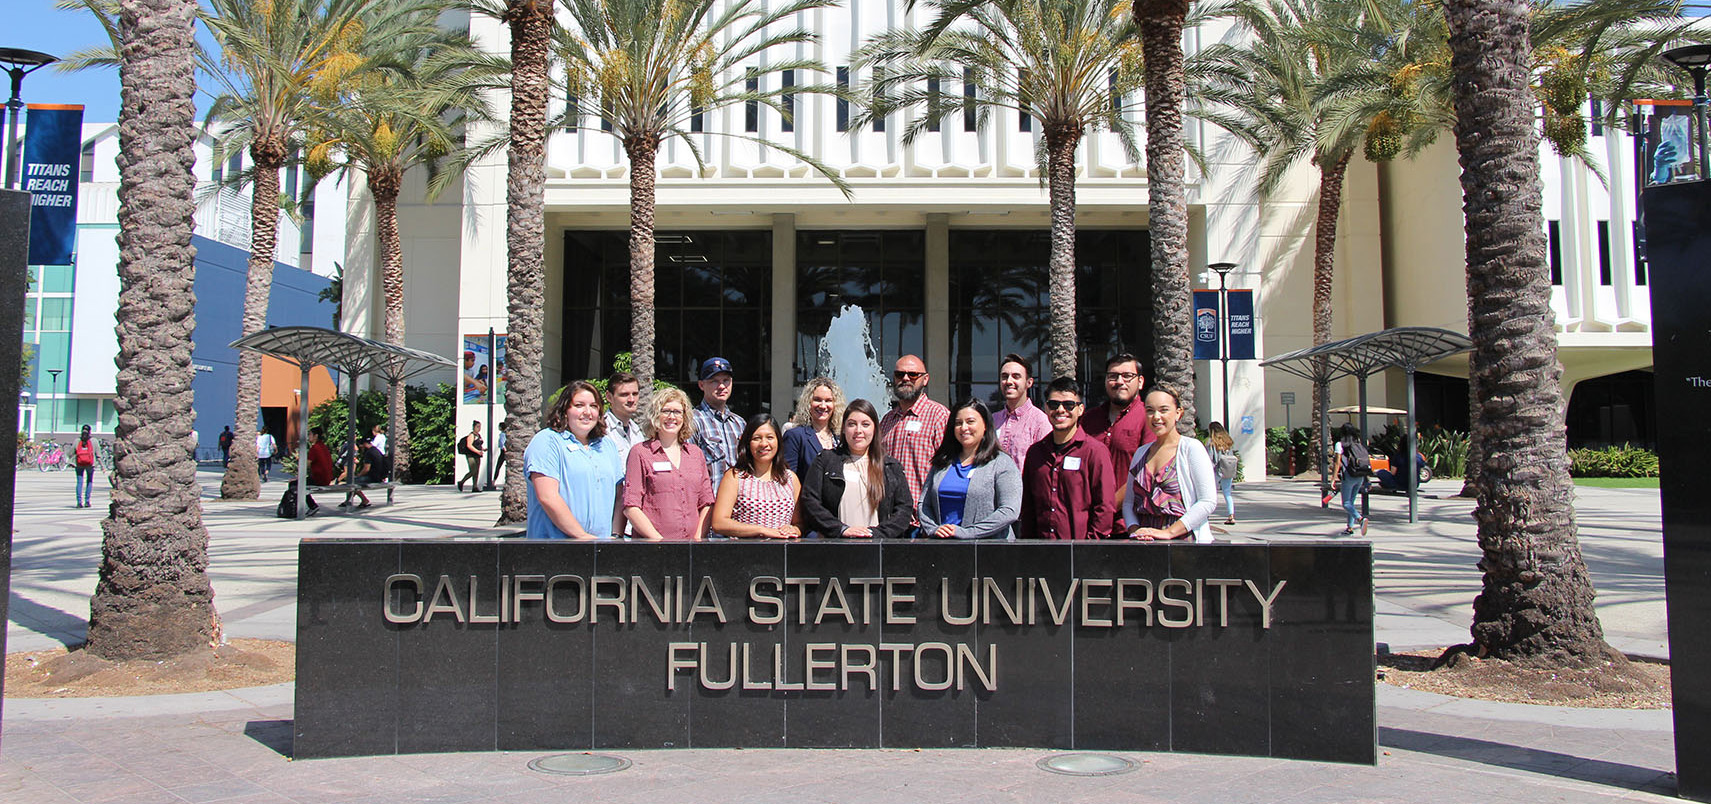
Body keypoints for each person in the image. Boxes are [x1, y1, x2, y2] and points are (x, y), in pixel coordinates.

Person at [798, 399, 913, 539]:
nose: (858, 431)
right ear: (844, 429)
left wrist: (877, 534)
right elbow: (810, 501)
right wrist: (841, 530)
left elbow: (904, 509)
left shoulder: (891, 466)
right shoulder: (825, 460)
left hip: (878, 548)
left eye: (865, 424)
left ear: (875, 429)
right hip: (836, 547)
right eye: (852, 424)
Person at [524, 380, 625, 540]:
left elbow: (619, 495)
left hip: (600, 548)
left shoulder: (607, 445)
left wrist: (615, 535)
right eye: (579, 405)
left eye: (593, 406)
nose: (587, 412)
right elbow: (547, 496)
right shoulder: (547, 441)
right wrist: (582, 536)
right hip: (554, 549)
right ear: (565, 410)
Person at [1018, 378, 1114, 540]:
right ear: (1046, 408)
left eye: (1069, 405)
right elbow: (1028, 507)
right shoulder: (1035, 453)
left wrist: (1090, 546)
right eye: (1054, 404)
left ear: (1080, 409)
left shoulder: (1095, 452)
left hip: (1082, 553)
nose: (1061, 410)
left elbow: (1104, 507)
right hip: (1041, 552)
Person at [1122, 384, 1217, 542]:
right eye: (1150, 410)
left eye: (1163, 410)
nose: (1156, 417)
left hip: (1183, 544)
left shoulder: (1191, 449)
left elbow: (1207, 501)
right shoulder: (1141, 453)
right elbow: (1128, 503)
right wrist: (1135, 530)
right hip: (1145, 543)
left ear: (1178, 413)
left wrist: (1169, 533)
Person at [918, 399, 1022, 540]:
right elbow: (924, 504)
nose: (964, 427)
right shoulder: (942, 462)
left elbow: (1009, 511)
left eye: (970, 421)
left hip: (989, 551)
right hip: (944, 549)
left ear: (985, 425)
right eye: (958, 423)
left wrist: (968, 533)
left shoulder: (1002, 463)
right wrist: (933, 529)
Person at [623, 387, 715, 540]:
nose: (671, 417)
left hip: (691, 548)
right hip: (653, 548)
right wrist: (660, 542)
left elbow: (707, 502)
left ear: (684, 417)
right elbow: (631, 506)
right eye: (665, 411)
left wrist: (698, 539)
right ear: (655, 415)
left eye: (677, 412)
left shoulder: (695, 454)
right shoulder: (640, 453)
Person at [1082, 353, 1156, 532]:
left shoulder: (1149, 419)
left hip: (1128, 525)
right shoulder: (1089, 419)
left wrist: (1106, 509)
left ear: (1140, 381)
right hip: (1087, 523)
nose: (1119, 381)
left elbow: (1146, 471)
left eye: (1127, 376)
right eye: (1113, 376)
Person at [710, 414, 801, 539]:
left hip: (783, 554)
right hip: (746, 553)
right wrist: (761, 530)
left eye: (770, 437)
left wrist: (794, 529)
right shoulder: (734, 477)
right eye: (757, 438)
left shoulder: (791, 479)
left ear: (778, 442)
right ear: (748, 443)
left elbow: (800, 523)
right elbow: (719, 523)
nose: (764, 444)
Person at [880, 354, 950, 512]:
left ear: (925, 379)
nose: (905, 378)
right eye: (899, 374)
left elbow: (948, 468)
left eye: (912, 374)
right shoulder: (886, 420)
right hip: (889, 516)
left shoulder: (939, 416)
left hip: (922, 518)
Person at [692, 357, 743, 496]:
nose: (721, 386)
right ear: (701, 385)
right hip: (707, 506)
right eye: (714, 381)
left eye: (726, 380)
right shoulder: (692, 421)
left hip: (738, 505)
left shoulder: (739, 423)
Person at [992, 353, 1050, 469]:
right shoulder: (992, 420)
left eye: (1016, 376)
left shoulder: (1040, 422)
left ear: (1029, 383)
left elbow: (1044, 467)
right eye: (1004, 376)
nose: (1009, 381)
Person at [782, 377, 843, 479]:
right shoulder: (795, 436)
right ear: (808, 403)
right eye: (817, 400)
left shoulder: (840, 438)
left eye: (828, 400)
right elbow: (788, 480)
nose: (823, 406)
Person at [1331, 423, 1370, 536]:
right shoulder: (1359, 444)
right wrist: (1367, 479)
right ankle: (1350, 528)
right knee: (1351, 503)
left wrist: (1333, 478)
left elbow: (1337, 462)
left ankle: (1360, 519)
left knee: (1346, 503)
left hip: (1348, 476)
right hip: (1360, 476)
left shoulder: (1340, 444)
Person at [337, 435, 388, 510]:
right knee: (354, 482)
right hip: (379, 477)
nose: (360, 447)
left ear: (364, 444)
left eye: (361, 445)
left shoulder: (369, 453)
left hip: (372, 477)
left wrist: (359, 475)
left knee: (352, 481)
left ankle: (363, 500)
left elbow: (366, 469)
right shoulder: (377, 451)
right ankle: (348, 501)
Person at [604, 371, 643, 464]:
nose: (631, 400)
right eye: (624, 394)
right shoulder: (601, 430)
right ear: (609, 397)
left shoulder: (637, 431)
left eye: (635, 394)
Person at [1205, 421, 1239, 525]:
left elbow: (1210, 459)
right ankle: (1231, 515)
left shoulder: (1211, 442)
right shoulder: (1228, 441)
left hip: (1216, 471)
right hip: (1228, 469)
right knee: (1227, 493)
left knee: (1210, 493)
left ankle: (1207, 514)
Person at [457, 420, 485, 492]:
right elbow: (469, 445)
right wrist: (477, 451)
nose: (479, 428)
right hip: (471, 455)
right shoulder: (471, 435)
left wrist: (482, 449)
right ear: (474, 427)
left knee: (477, 471)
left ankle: (475, 486)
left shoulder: (478, 436)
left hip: (477, 455)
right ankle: (461, 482)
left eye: (480, 427)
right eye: (477, 427)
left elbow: (478, 445)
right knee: (473, 470)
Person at [73, 425, 96, 508]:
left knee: (79, 482)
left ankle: (79, 502)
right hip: (90, 464)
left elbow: (71, 453)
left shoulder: (77, 441)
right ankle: (87, 501)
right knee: (89, 481)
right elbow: (98, 454)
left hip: (79, 464)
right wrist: (102, 465)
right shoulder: (94, 441)